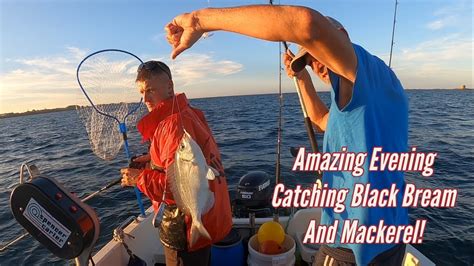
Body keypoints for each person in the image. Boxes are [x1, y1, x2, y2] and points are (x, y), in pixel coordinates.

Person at [165, 5, 409, 266]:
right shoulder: (376, 90)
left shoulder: (361, 69)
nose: (317, 65)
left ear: (341, 35)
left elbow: (306, 25)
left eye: (316, 52)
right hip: (390, 236)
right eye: (310, 62)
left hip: (351, 244)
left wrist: (199, 21)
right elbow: (324, 121)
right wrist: (302, 77)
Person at [120, 60, 232, 266]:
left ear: (170, 86)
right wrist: (151, 161)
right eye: (142, 92)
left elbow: (179, 187)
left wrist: (139, 178)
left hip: (185, 227)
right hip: (203, 217)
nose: (145, 98)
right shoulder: (185, 113)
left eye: (151, 90)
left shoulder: (172, 125)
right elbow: (184, 164)